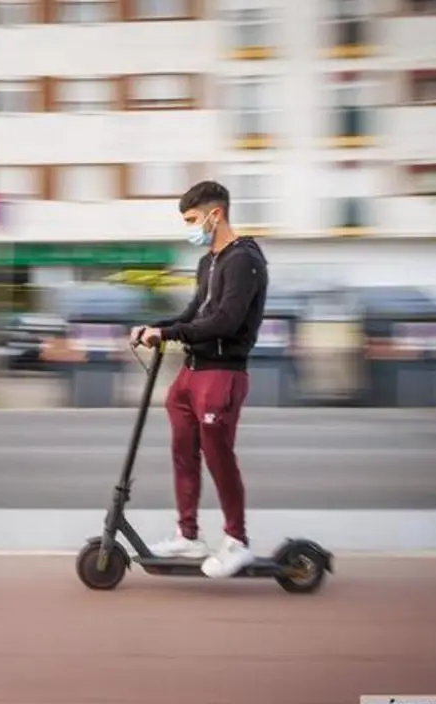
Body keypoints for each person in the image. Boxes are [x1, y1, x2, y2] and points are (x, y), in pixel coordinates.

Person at [130, 180, 269, 579]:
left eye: (192, 219)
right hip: (191, 374)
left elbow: (226, 321)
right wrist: (154, 327)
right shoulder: (208, 261)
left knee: (219, 457)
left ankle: (237, 541)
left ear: (216, 214)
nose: (190, 227)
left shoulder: (245, 260)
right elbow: (194, 314)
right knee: (182, 452)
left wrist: (170, 335)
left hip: (222, 374)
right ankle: (188, 535)